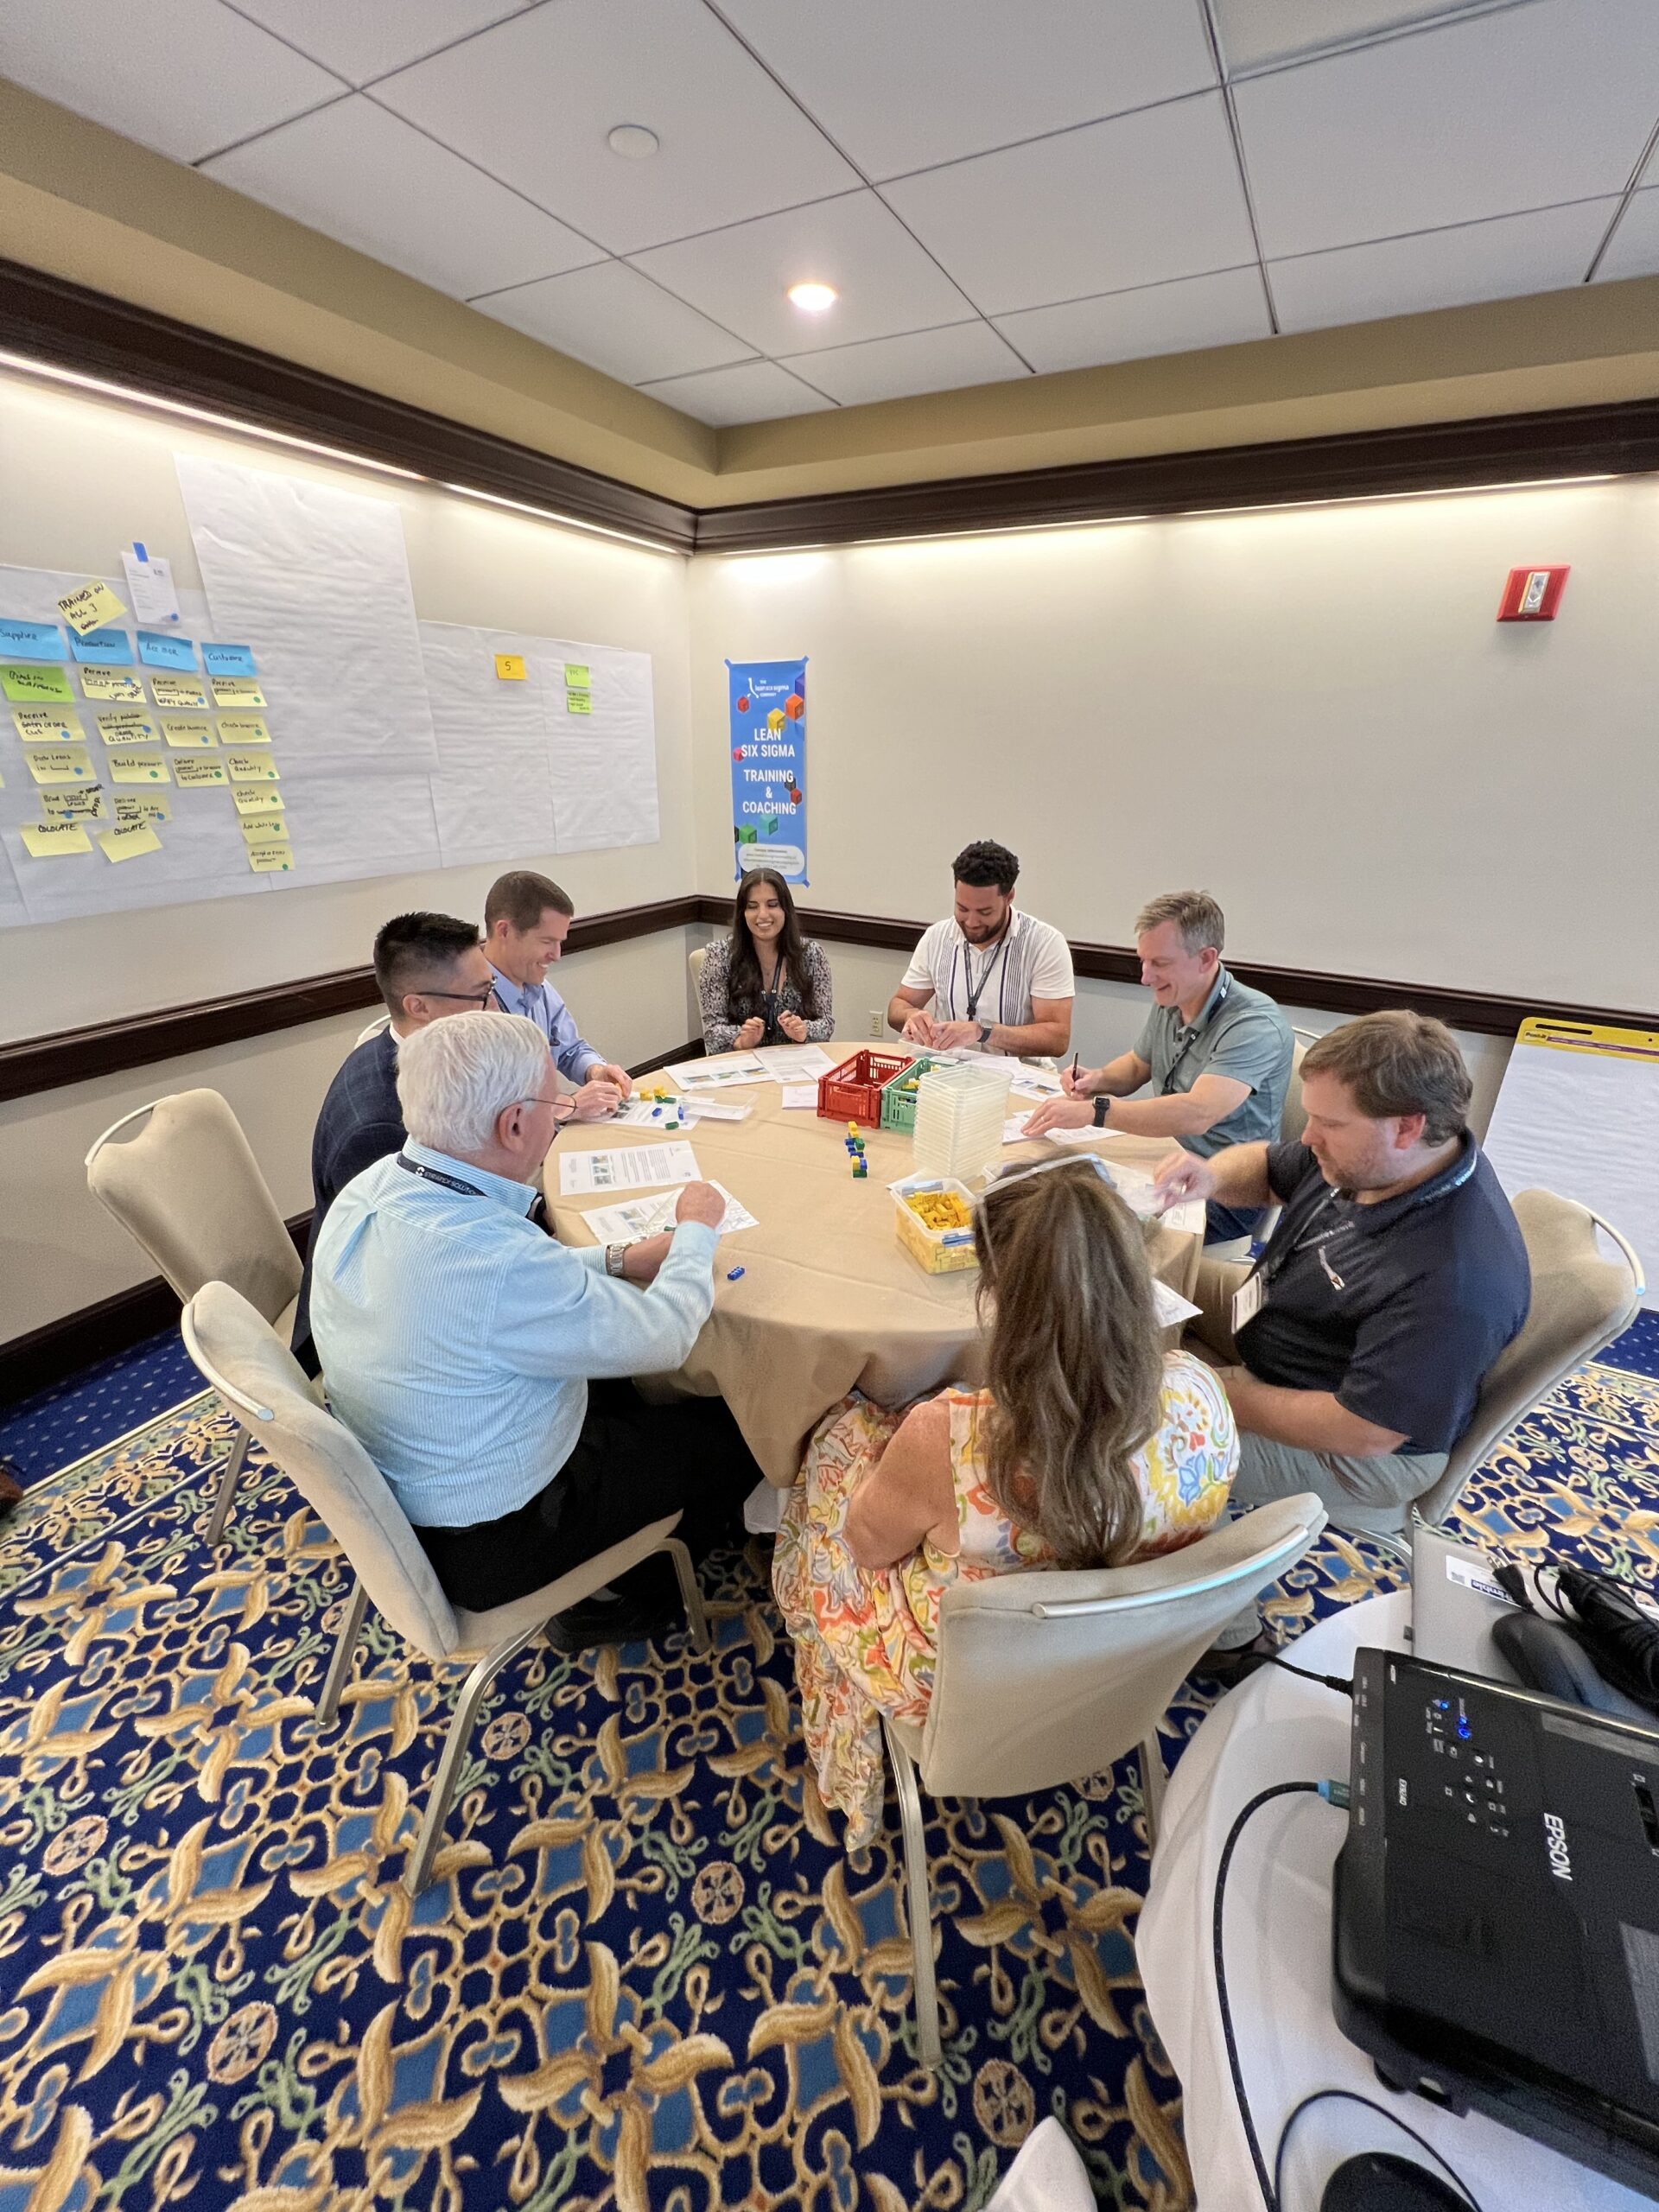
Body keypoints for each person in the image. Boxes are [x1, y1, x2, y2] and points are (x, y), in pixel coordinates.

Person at [772, 1155, 1237, 1847]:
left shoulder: (949, 1439)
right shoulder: (1202, 1391)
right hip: (1125, 1662)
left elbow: (865, 1549)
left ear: (996, 1296)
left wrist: (871, 1459)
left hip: (966, 1686)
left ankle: (845, 1749)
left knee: (835, 1450)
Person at [311, 1013, 760, 1645]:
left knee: (629, 1398)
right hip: (499, 1536)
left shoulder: (374, 1187)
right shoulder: (498, 1264)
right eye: (554, 1104)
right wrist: (695, 1230)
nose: (558, 1117)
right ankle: (621, 1599)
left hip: (414, 1485)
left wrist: (616, 1259)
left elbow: (497, 1287)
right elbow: (664, 1335)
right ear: (515, 1124)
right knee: (735, 1431)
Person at [1152, 1011, 1530, 1661]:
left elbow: (1365, 1430)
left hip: (1365, 1446)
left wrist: (1211, 1392)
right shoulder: (1378, 1161)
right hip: (1283, 1327)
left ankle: (1230, 1641)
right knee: (1134, 1289)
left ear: (1407, 1126)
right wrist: (1211, 1175)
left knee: (1149, 1440)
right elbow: (1270, 1166)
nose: (1309, 1136)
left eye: (1327, 1123)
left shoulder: (1455, 1277)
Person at [290, 911, 496, 1375]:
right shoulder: (380, 1126)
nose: (493, 1010)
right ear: (418, 1006)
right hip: (374, 1336)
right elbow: (412, 1269)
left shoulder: (417, 1057)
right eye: (480, 996)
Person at [1023, 891, 1294, 1244]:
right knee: (1050, 1193)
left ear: (1206, 958)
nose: (1145, 977)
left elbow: (1198, 1113)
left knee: (1080, 1232)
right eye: (1143, 961)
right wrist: (1097, 1079)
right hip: (1164, 1157)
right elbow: (1138, 1064)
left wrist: (1097, 1111)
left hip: (1223, 1187)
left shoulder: (1254, 1023)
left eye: (1160, 964)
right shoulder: (1175, 996)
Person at [887, 840, 1073, 1059]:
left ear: (1009, 897)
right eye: (962, 909)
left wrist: (982, 1031)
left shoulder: (1044, 944)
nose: (971, 922)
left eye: (984, 912)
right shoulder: (937, 937)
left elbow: (1057, 1039)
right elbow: (898, 1006)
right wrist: (911, 1015)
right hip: (947, 1069)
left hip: (1020, 1074)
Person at [483, 870, 632, 1109]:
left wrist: (595, 1071)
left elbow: (569, 1048)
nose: (557, 955)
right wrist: (569, 1106)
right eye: (547, 942)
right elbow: (492, 1109)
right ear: (504, 931)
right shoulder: (471, 1005)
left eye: (560, 942)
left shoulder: (538, 986)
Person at [698, 868, 835, 1055]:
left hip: (794, 1061)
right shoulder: (719, 956)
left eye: (772, 905)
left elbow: (826, 1024)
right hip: (741, 1062)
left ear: (785, 909)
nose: (762, 915)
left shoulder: (811, 954)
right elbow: (713, 1032)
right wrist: (741, 1040)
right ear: (743, 913)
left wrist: (804, 1032)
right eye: (752, 906)